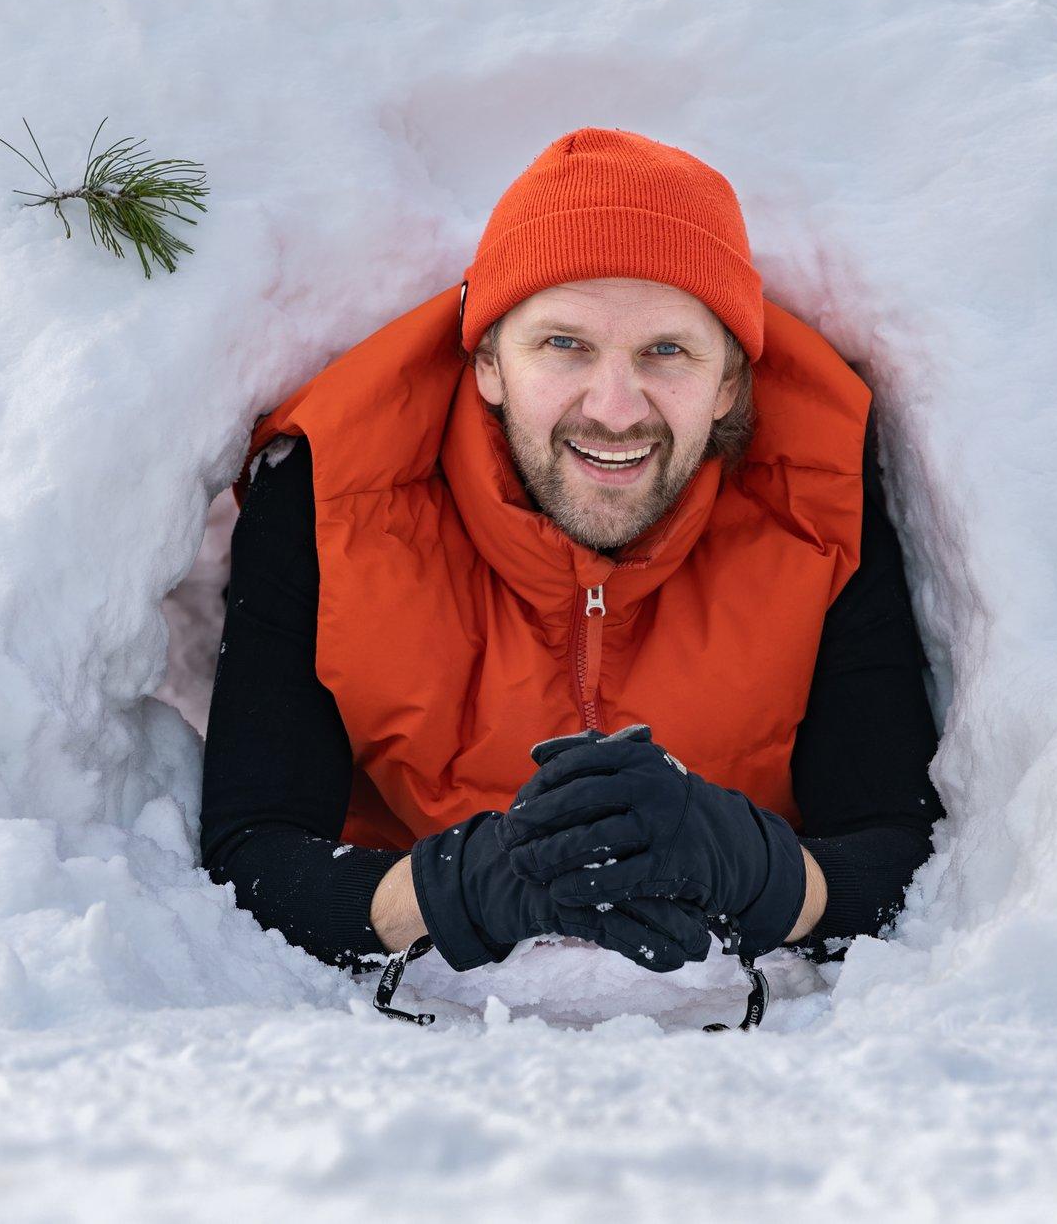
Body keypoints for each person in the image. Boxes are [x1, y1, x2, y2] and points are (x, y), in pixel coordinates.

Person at [199, 127, 942, 1013]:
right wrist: (456, 887)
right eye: (564, 345)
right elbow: (251, 851)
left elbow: (901, 850)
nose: (616, 409)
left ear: (732, 384)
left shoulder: (819, 497)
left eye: (667, 350)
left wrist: (754, 866)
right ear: (486, 363)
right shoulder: (329, 492)